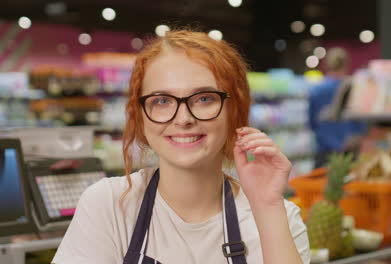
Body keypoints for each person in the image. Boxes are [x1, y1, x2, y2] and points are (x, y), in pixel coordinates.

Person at [52, 30, 311, 263]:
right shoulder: (109, 205)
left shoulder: (279, 217)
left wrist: (266, 207)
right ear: (139, 115)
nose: (184, 118)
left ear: (235, 109)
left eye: (204, 98)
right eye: (162, 101)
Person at [308, 47, 366, 168]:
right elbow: (360, 125)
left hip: (324, 152)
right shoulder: (355, 88)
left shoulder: (316, 90)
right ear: (347, 64)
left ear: (326, 64)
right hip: (349, 153)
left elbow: (312, 124)